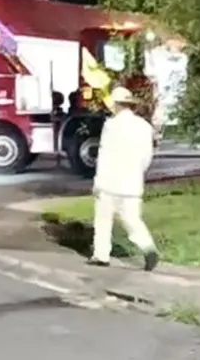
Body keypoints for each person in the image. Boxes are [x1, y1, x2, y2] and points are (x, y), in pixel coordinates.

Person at [87, 86, 159, 271]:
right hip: (132, 183)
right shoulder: (144, 127)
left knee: (103, 220)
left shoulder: (111, 126)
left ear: (117, 105)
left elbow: (104, 154)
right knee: (133, 220)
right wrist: (137, 172)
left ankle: (101, 255)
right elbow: (147, 157)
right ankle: (148, 248)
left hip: (109, 183)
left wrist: (97, 182)